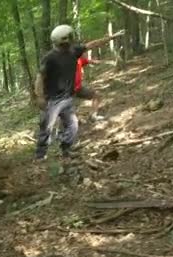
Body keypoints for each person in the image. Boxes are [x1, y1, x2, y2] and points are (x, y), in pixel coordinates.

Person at [33, 26, 124, 162]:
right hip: (52, 100)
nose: (71, 39)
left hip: (67, 98)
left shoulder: (73, 51)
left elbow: (92, 44)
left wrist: (111, 37)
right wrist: (39, 96)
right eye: (68, 37)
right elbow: (40, 77)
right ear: (62, 39)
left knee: (73, 125)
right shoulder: (49, 58)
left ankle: (66, 150)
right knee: (47, 126)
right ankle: (40, 155)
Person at [74, 52, 103, 121]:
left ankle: (93, 116)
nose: (86, 55)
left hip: (78, 89)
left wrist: (96, 61)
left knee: (96, 95)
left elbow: (89, 61)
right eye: (84, 53)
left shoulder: (80, 60)